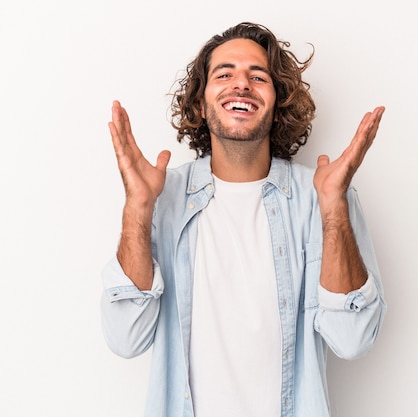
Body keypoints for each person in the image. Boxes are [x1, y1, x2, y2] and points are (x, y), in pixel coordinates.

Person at [100, 22, 387, 417]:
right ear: (201, 103)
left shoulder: (321, 198)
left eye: (258, 76)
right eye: (224, 74)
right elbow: (125, 338)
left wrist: (334, 206)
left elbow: (351, 339)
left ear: (277, 101)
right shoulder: (160, 199)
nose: (242, 85)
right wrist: (137, 208)